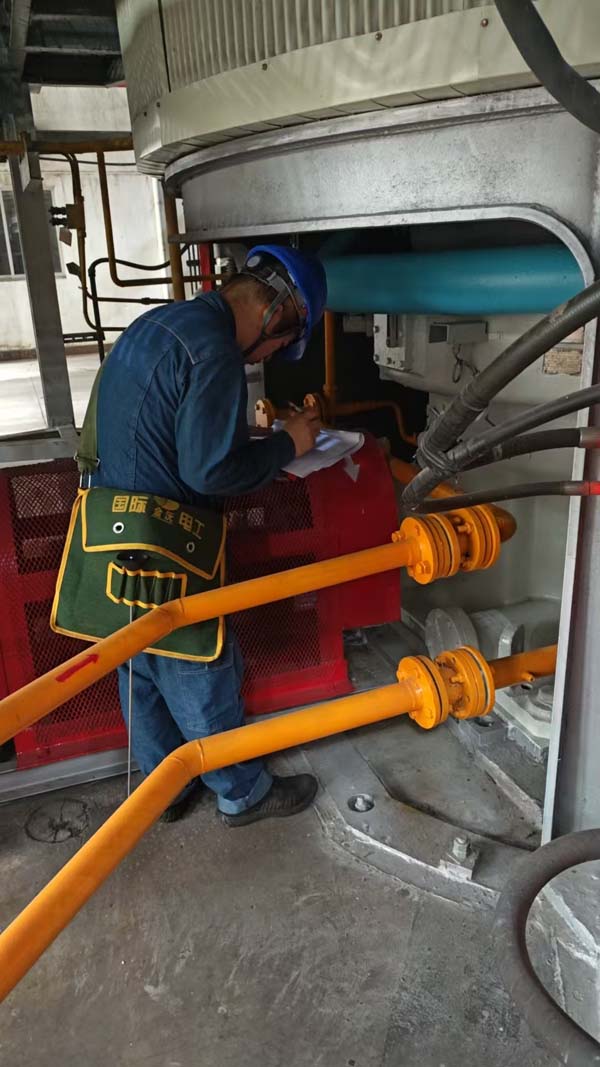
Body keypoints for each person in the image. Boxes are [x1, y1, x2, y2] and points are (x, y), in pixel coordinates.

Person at [94, 245, 327, 825]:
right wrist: (287, 446)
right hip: (172, 540)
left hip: (113, 527)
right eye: (279, 346)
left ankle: (165, 789)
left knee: (139, 664)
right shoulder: (215, 352)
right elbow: (209, 473)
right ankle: (241, 792)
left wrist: (247, 436)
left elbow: (159, 427)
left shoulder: (160, 324)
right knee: (199, 662)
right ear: (275, 315)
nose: (270, 356)